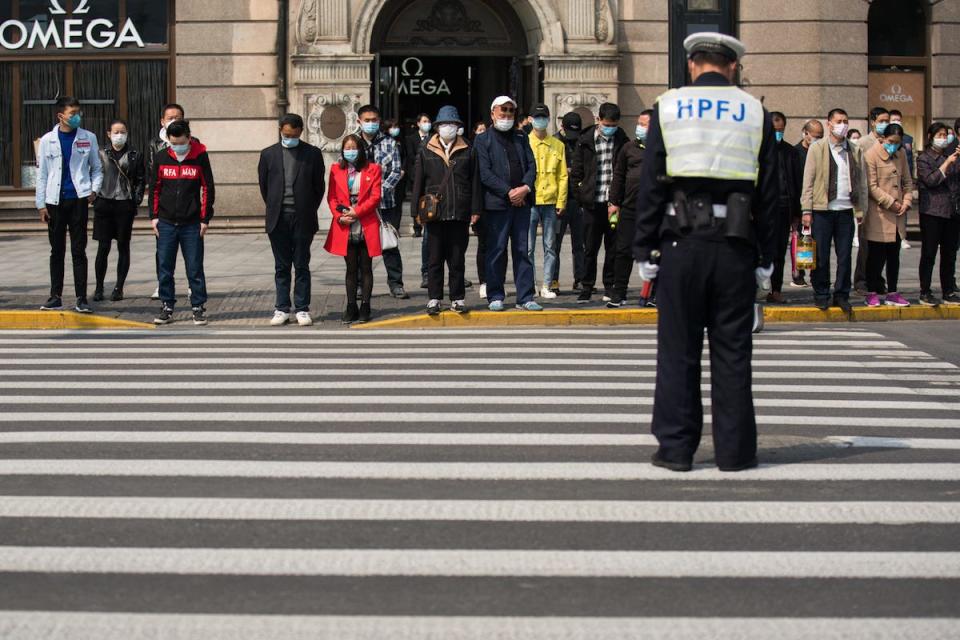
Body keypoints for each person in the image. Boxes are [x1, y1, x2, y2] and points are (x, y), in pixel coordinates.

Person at [632, 33, 778, 473]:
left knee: (678, 352)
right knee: (733, 353)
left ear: (693, 64)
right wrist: (766, 258)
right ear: (731, 66)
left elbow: (651, 182)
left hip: (680, 244)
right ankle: (735, 453)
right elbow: (771, 195)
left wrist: (645, 248)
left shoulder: (669, 106)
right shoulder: (754, 111)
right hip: (735, 246)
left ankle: (676, 450)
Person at [411, 106, 481, 315]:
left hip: (459, 211)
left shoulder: (468, 149)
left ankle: (457, 298)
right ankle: (434, 298)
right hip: (434, 213)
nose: (447, 128)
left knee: (457, 258)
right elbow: (418, 182)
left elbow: (475, 181)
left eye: (451, 124)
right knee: (434, 259)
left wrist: (476, 209)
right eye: (443, 124)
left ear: (458, 127)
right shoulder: (426, 149)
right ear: (437, 127)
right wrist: (415, 210)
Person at [258, 113, 326, 327]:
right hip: (278, 217)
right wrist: (275, 206)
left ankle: (302, 308)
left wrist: (306, 208)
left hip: (302, 216)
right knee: (281, 265)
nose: (290, 138)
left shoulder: (312, 154)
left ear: (301, 132)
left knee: (302, 264)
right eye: (287, 134)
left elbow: (318, 187)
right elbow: (264, 186)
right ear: (280, 130)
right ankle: (281, 308)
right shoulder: (268, 154)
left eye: (294, 135)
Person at [36, 96, 103, 314]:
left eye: (78, 113)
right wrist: (41, 204)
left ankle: (81, 297)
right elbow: (42, 174)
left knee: (78, 249)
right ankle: (55, 296)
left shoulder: (88, 137)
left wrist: (94, 190)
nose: (76, 117)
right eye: (72, 113)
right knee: (57, 250)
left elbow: (97, 168)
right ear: (60, 116)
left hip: (78, 199)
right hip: (54, 201)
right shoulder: (47, 140)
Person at [474, 95, 541, 312]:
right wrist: (508, 191)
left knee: (523, 251)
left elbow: (531, 166)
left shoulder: (521, 137)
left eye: (511, 111)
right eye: (503, 111)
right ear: (493, 113)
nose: (507, 115)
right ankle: (495, 295)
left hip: (521, 203)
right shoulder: (483, 140)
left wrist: (525, 188)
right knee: (496, 250)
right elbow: (485, 173)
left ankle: (525, 296)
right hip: (497, 204)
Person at [801, 108, 868, 312]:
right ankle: (821, 293)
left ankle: (841, 294)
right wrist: (806, 209)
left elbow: (861, 182)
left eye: (845, 121)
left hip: (846, 209)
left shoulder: (854, 150)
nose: (843, 124)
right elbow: (808, 181)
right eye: (839, 121)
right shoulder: (817, 148)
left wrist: (861, 209)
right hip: (822, 210)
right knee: (821, 256)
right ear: (829, 123)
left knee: (845, 255)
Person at [150, 119, 215, 326]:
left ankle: (198, 307)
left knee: (194, 267)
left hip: (192, 223)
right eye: (173, 142)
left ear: (189, 137)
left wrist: (205, 219)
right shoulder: (161, 157)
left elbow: (208, 188)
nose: (177, 146)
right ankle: (167, 306)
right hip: (166, 222)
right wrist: (154, 216)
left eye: (181, 142)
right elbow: (155, 189)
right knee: (165, 266)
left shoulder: (199, 157)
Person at [572, 102, 629, 303]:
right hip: (592, 203)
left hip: (613, 204)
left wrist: (619, 199)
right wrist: (580, 195)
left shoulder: (622, 140)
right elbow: (577, 171)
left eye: (613, 124)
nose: (609, 128)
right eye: (606, 124)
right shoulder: (585, 141)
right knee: (590, 247)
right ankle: (586, 286)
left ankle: (609, 285)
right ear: (598, 120)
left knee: (613, 246)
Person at [325, 135, 383, 324]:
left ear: (360, 149)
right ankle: (351, 306)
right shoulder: (336, 170)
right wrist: (339, 216)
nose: (350, 151)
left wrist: (356, 211)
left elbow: (375, 197)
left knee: (366, 267)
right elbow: (332, 196)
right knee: (351, 268)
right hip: (345, 224)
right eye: (346, 148)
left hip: (366, 222)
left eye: (353, 147)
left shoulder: (373, 169)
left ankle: (365, 306)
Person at [93, 119, 144, 302]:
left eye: (123, 131)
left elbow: (140, 179)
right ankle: (99, 287)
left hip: (124, 204)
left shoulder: (134, 154)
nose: (119, 135)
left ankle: (118, 287)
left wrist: (135, 199)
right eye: (116, 132)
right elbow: (94, 174)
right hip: (104, 203)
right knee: (103, 247)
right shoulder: (100, 153)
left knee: (123, 246)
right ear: (108, 134)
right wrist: (94, 196)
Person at [358, 105, 407, 299]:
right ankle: (361, 285)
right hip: (361, 206)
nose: (371, 124)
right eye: (367, 120)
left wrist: (378, 193)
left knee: (390, 244)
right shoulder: (353, 144)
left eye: (374, 120)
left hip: (386, 203)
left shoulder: (390, 143)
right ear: (359, 121)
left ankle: (396, 284)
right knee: (362, 246)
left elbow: (396, 171)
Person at [863, 123, 914, 308]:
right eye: (891, 141)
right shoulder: (870, 155)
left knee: (894, 255)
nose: (893, 145)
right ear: (883, 139)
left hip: (898, 214)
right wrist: (890, 203)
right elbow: (871, 186)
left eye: (897, 143)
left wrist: (906, 202)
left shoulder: (900, 155)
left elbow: (908, 182)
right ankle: (871, 292)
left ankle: (892, 292)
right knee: (875, 256)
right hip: (880, 213)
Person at [607, 110, 651, 308]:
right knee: (623, 250)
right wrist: (613, 202)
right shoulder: (628, 149)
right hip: (630, 208)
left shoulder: (663, 150)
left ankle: (652, 295)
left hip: (653, 210)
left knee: (654, 253)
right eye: (640, 123)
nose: (641, 128)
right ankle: (619, 293)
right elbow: (618, 176)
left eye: (646, 124)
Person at [147, 103, 191, 301]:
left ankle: (193, 285)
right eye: (170, 117)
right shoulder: (155, 145)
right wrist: (153, 214)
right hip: (165, 210)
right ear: (162, 121)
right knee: (163, 253)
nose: (174, 120)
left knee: (192, 253)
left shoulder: (192, 143)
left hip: (188, 210)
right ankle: (162, 285)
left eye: (178, 117)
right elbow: (153, 178)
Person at [527, 103, 568, 300]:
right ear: (530, 119)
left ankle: (546, 285)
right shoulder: (524, 142)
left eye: (544, 117)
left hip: (551, 202)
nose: (540, 120)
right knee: (527, 247)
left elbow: (562, 176)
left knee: (550, 246)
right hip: (530, 202)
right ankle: (530, 285)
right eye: (537, 117)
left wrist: (561, 201)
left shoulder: (558, 145)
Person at [917, 122, 960, 306]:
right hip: (932, 212)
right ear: (930, 136)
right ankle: (925, 291)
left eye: (946, 135)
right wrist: (947, 163)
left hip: (952, 211)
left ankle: (948, 289)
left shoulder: (952, 156)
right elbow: (931, 180)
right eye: (940, 135)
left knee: (949, 254)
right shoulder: (924, 158)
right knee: (929, 253)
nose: (944, 138)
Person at [852, 107, 891, 295]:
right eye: (882, 120)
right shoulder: (863, 143)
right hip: (868, 200)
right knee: (866, 243)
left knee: (882, 244)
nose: (885, 124)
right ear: (873, 121)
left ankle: (876, 278)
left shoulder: (891, 142)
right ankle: (861, 280)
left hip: (886, 201)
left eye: (888, 120)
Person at [767, 111, 802, 304]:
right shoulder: (759, 151)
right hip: (763, 210)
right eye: (774, 130)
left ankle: (776, 289)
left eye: (781, 130)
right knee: (761, 251)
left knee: (779, 251)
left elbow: (797, 183)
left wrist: (797, 213)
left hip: (784, 207)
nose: (778, 134)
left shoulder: (791, 152)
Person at [553, 111, 586, 293]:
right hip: (559, 200)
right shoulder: (555, 142)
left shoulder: (581, 142)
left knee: (579, 243)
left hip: (577, 200)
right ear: (562, 128)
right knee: (554, 243)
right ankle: (554, 280)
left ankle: (579, 279)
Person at [406, 113, 432, 241]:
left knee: (428, 199)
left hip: (430, 175)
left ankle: (428, 222)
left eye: (428, 121)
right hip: (416, 174)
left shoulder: (433, 138)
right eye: (424, 121)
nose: (427, 123)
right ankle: (417, 228)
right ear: (418, 123)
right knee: (416, 199)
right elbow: (410, 156)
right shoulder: (411, 139)